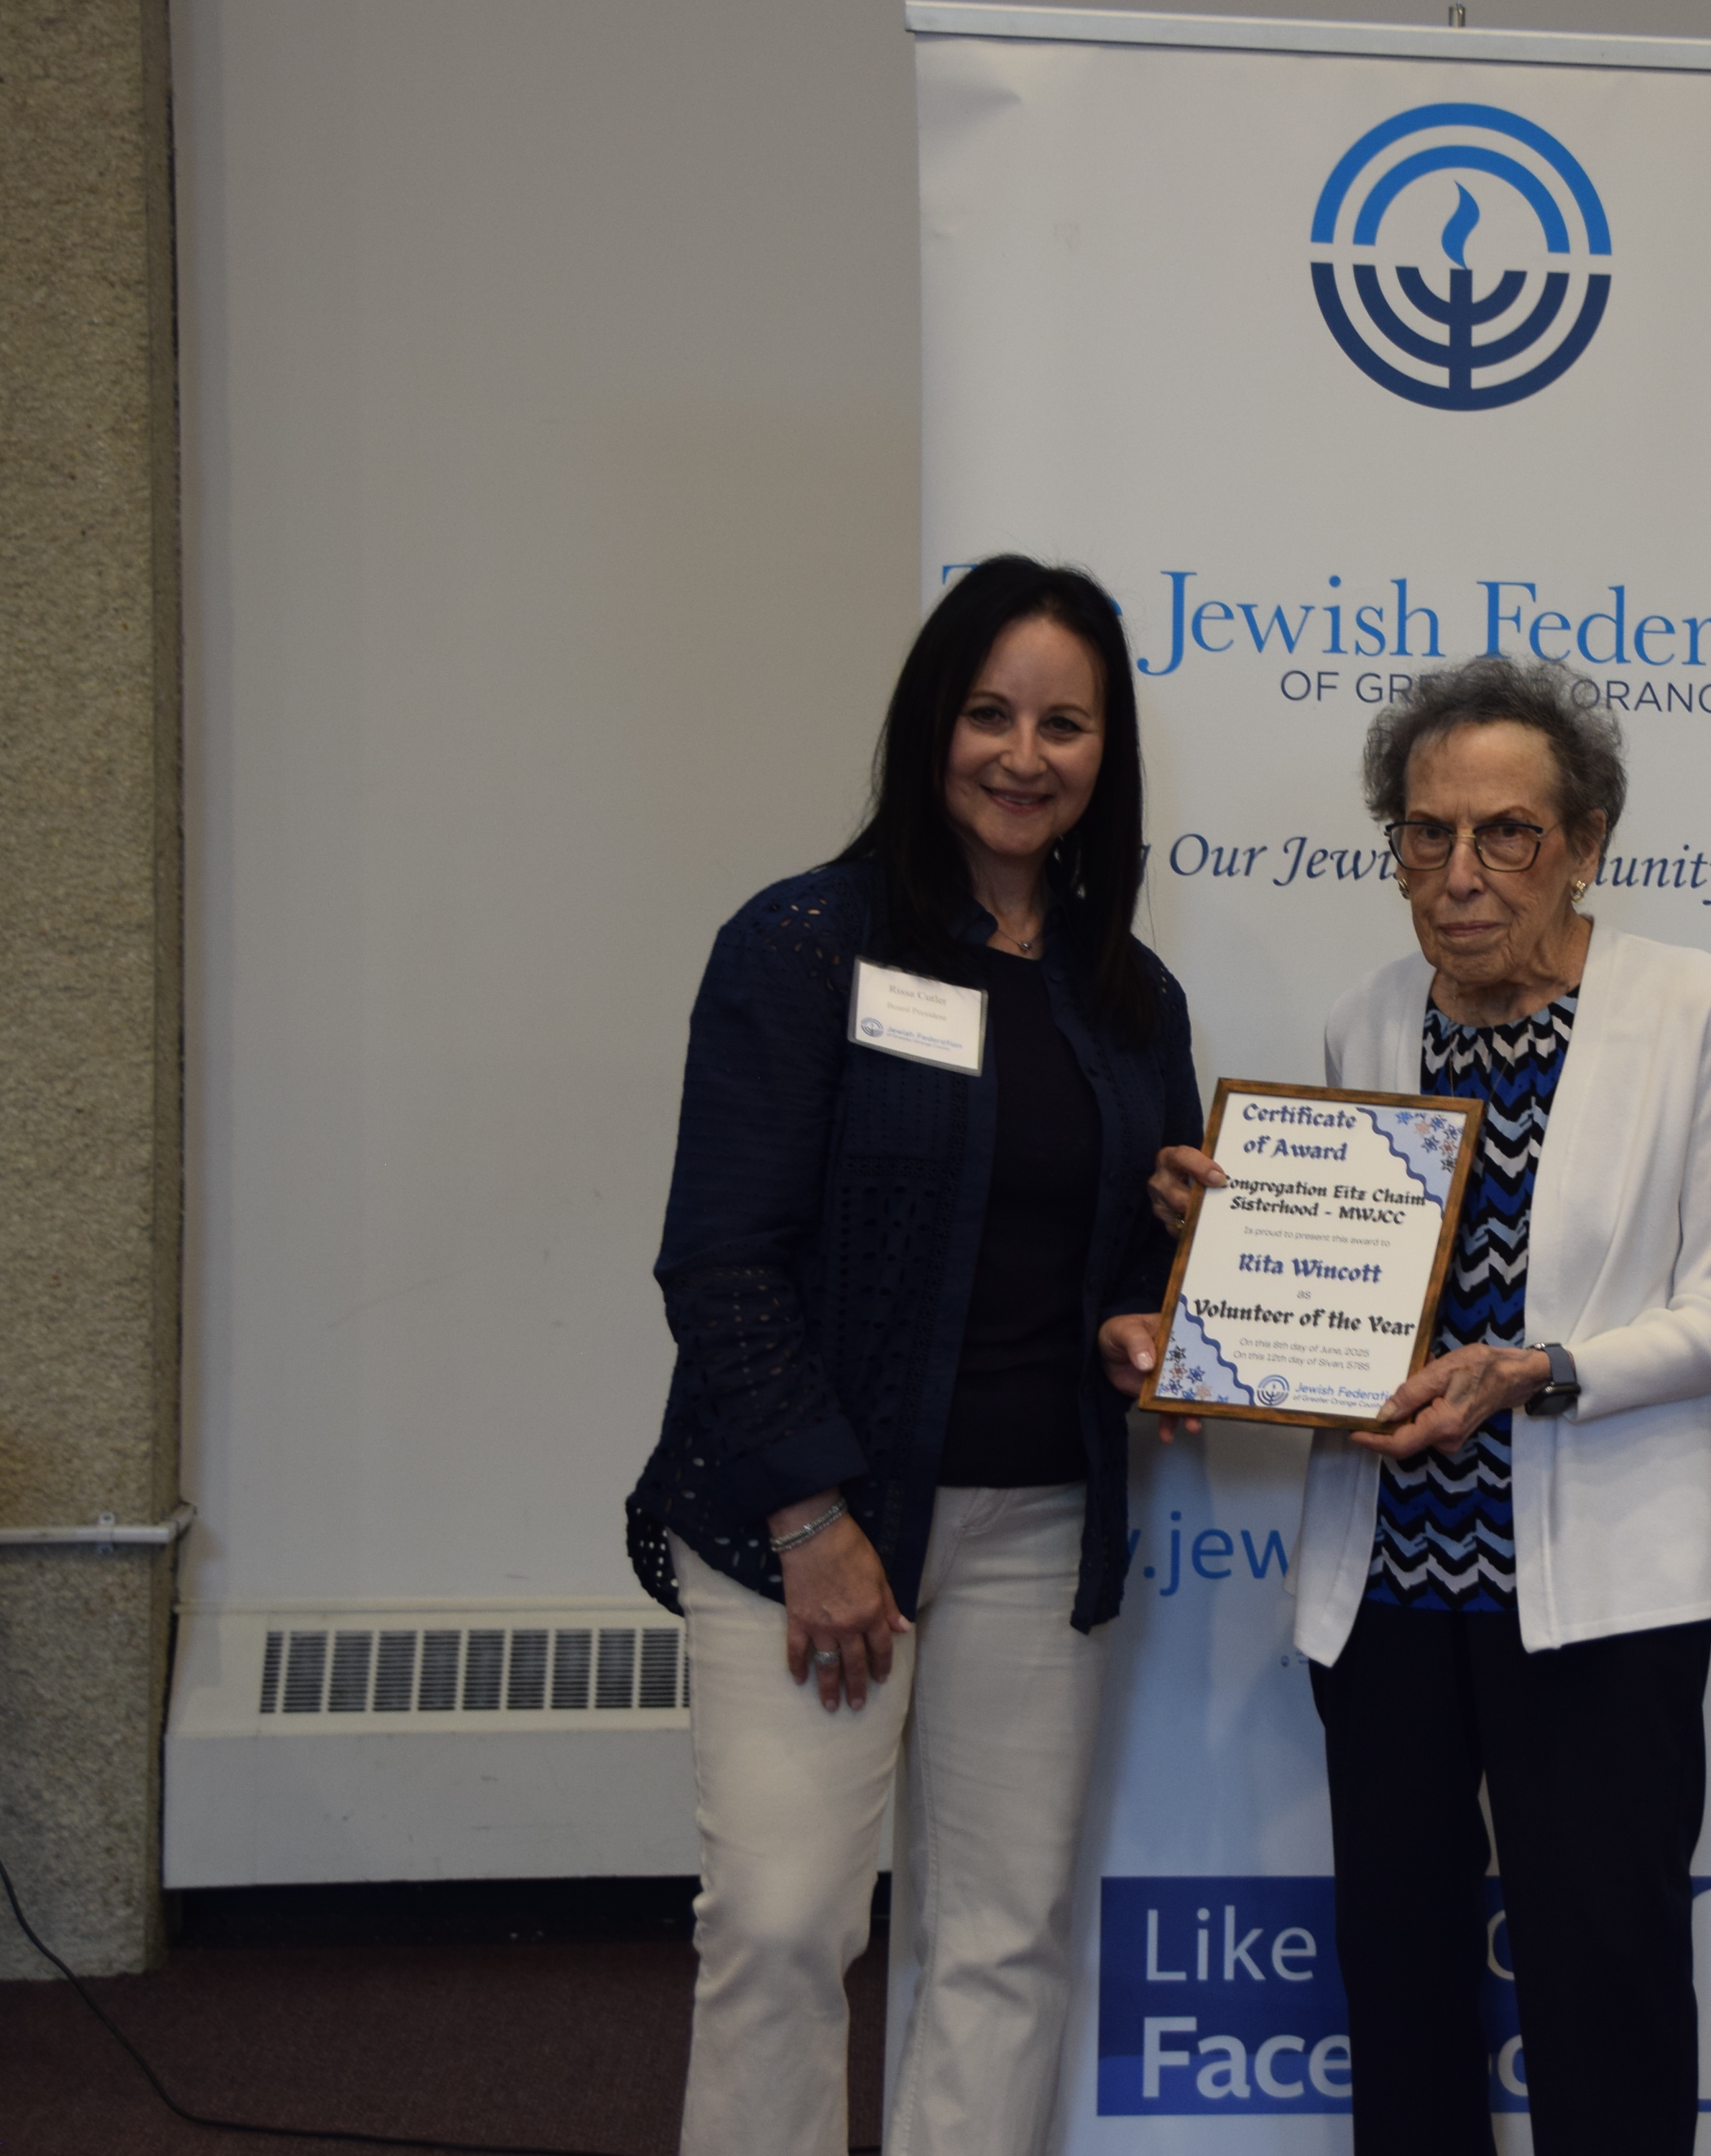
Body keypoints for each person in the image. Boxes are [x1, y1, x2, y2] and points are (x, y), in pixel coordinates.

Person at [1114, 654, 1711, 2156]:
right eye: (1426, 833)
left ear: (1586, 843)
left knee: (1605, 1985)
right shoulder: (1365, 1018)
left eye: (1507, 834)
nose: (1460, 872)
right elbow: (1353, 1302)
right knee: (1400, 1984)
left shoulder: (1691, 1009)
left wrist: (1539, 1371)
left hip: (1596, 1601)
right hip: (1390, 1590)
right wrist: (1220, 1254)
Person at [628, 556, 1199, 2156]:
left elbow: (1121, 1261)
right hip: (817, 1526)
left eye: (1064, 725)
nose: (1023, 756)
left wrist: (1152, 1302)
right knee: (781, 1929)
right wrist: (814, 1520)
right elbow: (720, 1260)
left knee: (1003, 1942)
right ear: (929, 722)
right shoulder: (806, 944)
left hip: (1037, 1520)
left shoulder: (1129, 993)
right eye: (988, 714)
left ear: (1106, 754)